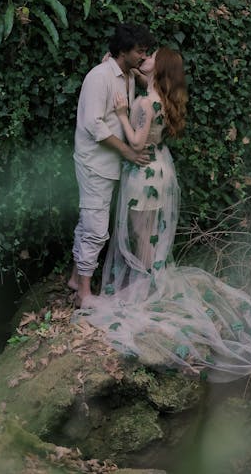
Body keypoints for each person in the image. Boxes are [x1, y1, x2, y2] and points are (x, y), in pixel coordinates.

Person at [74, 47, 251, 384]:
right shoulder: (162, 96)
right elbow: (143, 80)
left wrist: (122, 113)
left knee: (140, 235)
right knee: (148, 236)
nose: (144, 60)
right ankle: (148, 284)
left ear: (157, 69)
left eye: (150, 58)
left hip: (143, 174)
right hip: (161, 171)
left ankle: (145, 291)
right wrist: (117, 67)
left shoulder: (145, 103)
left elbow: (137, 142)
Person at [68, 22, 155, 307]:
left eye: (145, 52)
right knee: (96, 228)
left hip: (110, 164)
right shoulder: (100, 77)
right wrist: (129, 154)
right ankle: (83, 293)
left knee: (89, 220)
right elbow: (95, 126)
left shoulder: (128, 75)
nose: (144, 56)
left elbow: (152, 79)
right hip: (95, 163)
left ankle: (74, 278)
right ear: (123, 51)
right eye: (140, 52)